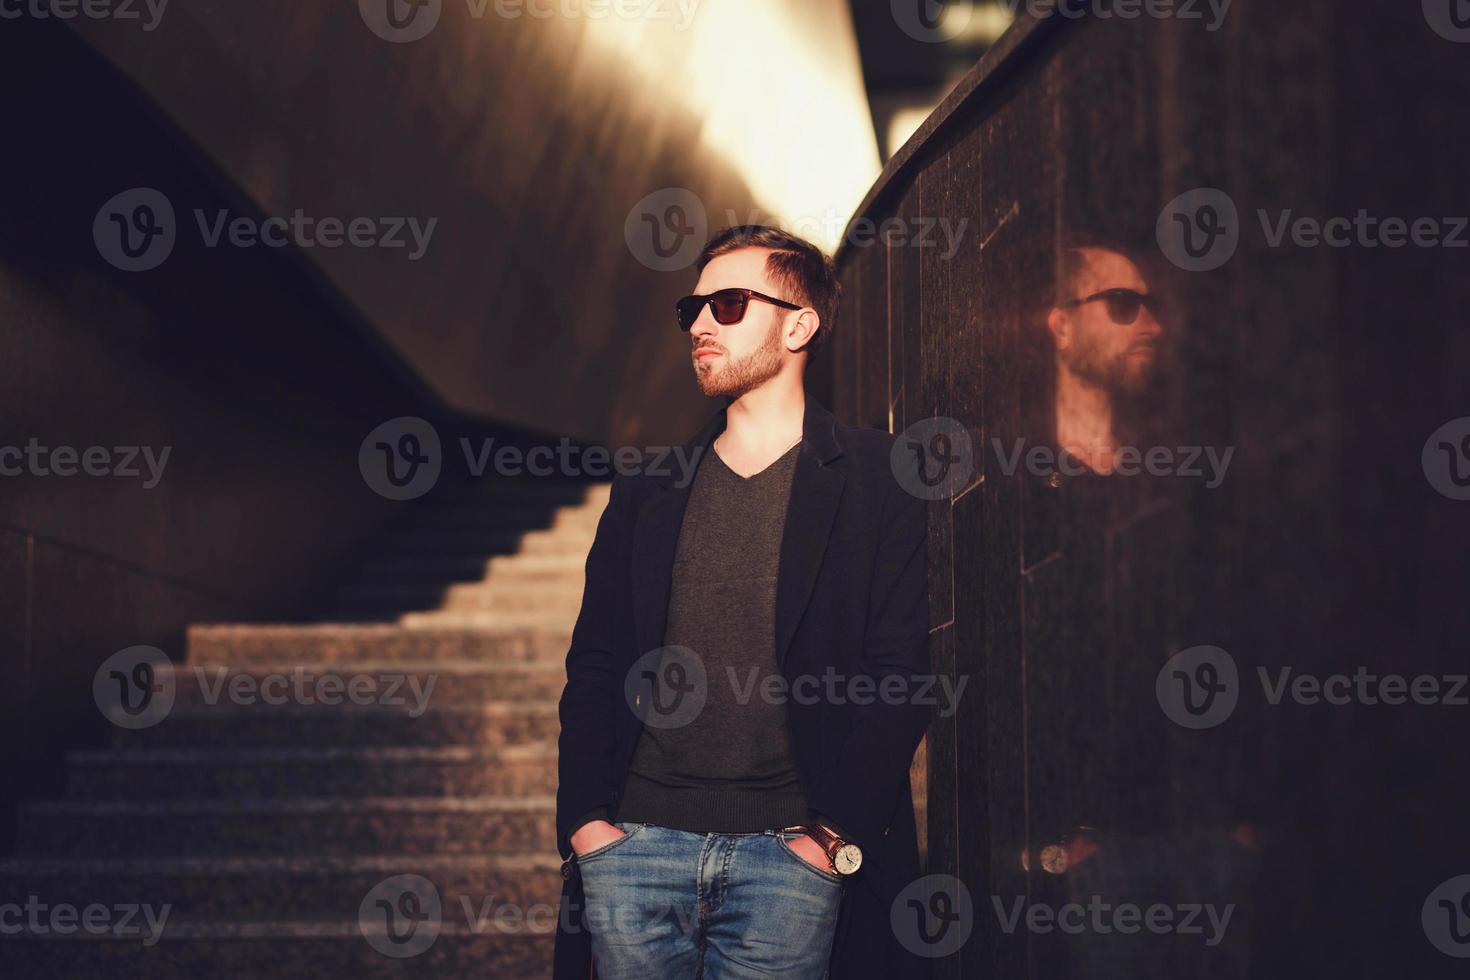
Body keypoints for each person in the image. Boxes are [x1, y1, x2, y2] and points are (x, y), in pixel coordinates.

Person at [554, 225, 932, 979]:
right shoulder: (647, 491)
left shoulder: (878, 477)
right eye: (693, 307)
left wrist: (827, 840)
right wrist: (587, 828)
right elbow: (595, 665)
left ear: (799, 324)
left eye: (727, 305)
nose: (698, 324)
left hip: (791, 860)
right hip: (636, 851)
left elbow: (904, 671)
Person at [1044, 243, 1164, 474]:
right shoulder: (1011, 461)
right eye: (1123, 303)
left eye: (1149, 306)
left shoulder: (1158, 461)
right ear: (1062, 328)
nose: (1154, 327)